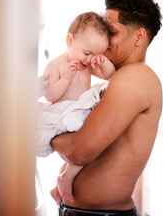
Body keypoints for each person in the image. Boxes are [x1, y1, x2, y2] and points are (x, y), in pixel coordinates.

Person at [50, 0, 163, 216]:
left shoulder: (136, 77)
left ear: (139, 37)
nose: (103, 37)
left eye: (110, 32)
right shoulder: (114, 79)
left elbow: (79, 151)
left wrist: (47, 134)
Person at [36, 12, 116, 204]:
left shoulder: (87, 64)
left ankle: (61, 182)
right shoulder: (55, 64)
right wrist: (66, 80)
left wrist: (103, 62)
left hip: (78, 110)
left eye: (97, 55)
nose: (90, 59)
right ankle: (66, 178)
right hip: (62, 111)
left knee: (93, 140)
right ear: (69, 40)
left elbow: (111, 76)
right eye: (87, 53)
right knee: (87, 143)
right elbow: (50, 95)